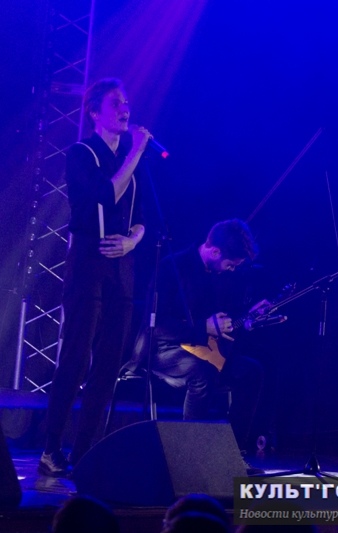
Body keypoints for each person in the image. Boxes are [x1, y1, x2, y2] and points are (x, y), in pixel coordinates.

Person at [39, 78, 148, 476]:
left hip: (122, 268)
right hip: (88, 261)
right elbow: (105, 195)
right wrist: (136, 151)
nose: (125, 108)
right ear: (94, 112)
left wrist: (132, 241)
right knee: (76, 356)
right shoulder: (81, 154)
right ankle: (51, 448)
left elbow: (142, 219)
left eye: (126, 102)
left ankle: (85, 452)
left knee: (109, 363)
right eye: (116, 102)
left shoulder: (134, 164)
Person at [145, 219, 265, 453]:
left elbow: (221, 321)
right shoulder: (173, 267)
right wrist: (203, 327)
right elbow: (156, 325)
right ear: (215, 251)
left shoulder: (221, 275)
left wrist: (249, 316)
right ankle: (190, 456)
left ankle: (233, 453)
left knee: (252, 372)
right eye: (230, 265)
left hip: (202, 349)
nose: (232, 270)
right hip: (162, 349)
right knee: (203, 371)